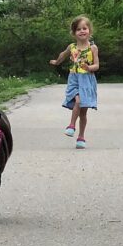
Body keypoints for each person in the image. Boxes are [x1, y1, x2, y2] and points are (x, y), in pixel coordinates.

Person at [48, 15, 100, 149]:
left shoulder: (93, 48)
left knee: (83, 112)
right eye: (78, 29)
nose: (82, 31)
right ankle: (71, 125)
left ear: (89, 31)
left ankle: (81, 137)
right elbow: (63, 55)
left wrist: (89, 68)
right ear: (74, 33)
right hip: (74, 78)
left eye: (84, 28)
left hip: (87, 80)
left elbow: (97, 65)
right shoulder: (72, 47)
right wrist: (56, 62)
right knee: (78, 100)